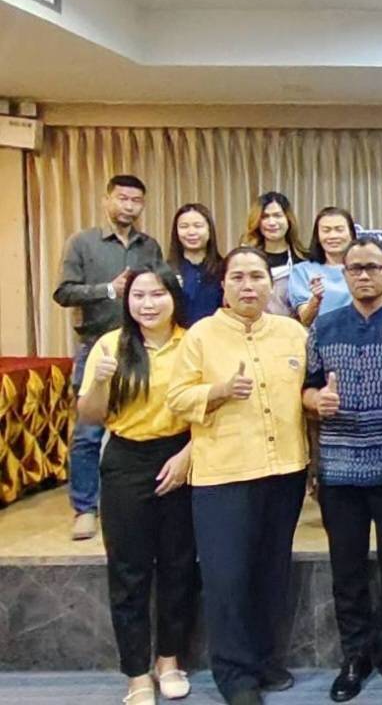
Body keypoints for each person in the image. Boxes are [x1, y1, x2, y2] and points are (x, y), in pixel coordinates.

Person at [166, 247, 310, 705]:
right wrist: (219, 391)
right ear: (224, 286)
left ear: (271, 283)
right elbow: (176, 398)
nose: (249, 286)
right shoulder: (201, 336)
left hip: (285, 469)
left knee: (271, 573)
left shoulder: (293, 333)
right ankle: (235, 675)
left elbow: (307, 393)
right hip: (223, 474)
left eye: (257, 277)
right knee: (227, 578)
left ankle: (265, 660)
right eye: (238, 278)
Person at [302, 236, 382, 702]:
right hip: (339, 470)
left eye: (373, 267)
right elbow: (306, 389)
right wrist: (316, 400)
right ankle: (355, 655)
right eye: (355, 268)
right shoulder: (323, 328)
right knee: (348, 571)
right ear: (344, 274)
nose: (364, 275)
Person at [76, 264, 196, 705]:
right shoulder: (110, 345)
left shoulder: (193, 342)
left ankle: (169, 660)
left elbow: (209, 409)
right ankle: (136, 673)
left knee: (179, 565)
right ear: (127, 302)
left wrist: (188, 455)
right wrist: (100, 381)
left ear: (173, 299)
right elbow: (90, 415)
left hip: (182, 454)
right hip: (127, 460)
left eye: (157, 294)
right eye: (138, 296)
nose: (147, 304)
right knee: (129, 570)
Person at [54, 173, 164, 540]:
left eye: (136, 201)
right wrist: (110, 290)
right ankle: (85, 509)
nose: (129, 206)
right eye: (122, 198)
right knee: (89, 431)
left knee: (144, 425)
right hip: (96, 345)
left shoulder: (149, 247)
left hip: (140, 346)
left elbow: (161, 290)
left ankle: (144, 502)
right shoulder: (82, 242)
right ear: (107, 200)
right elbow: (64, 292)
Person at [240, 191, 308, 317]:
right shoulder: (245, 259)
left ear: (288, 219)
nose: (272, 222)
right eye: (265, 217)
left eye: (277, 215)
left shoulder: (304, 259)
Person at [290, 207, 357, 325]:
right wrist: (315, 300)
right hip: (320, 334)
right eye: (326, 230)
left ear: (351, 233)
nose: (333, 236)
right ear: (318, 236)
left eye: (339, 230)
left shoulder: (364, 269)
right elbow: (305, 320)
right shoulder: (302, 271)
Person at [168, 202, 224, 326]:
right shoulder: (166, 271)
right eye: (184, 226)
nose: (191, 232)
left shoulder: (224, 269)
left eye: (198, 226)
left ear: (209, 230)